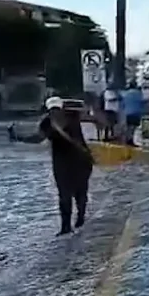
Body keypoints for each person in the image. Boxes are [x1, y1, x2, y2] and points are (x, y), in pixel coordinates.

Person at [39, 97, 95, 235]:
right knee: (77, 192)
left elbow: (40, 137)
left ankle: (70, 224)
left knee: (68, 194)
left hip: (67, 163)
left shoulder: (50, 121)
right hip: (79, 160)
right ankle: (75, 220)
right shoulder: (70, 117)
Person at [122, 81, 146, 146]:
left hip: (128, 112)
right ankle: (130, 140)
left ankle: (127, 139)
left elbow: (123, 104)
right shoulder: (138, 93)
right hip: (136, 112)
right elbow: (142, 102)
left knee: (129, 126)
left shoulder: (125, 94)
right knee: (134, 127)